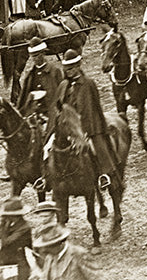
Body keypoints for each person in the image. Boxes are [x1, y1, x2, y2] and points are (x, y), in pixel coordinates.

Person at [50, 50, 117, 189]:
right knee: (49, 146)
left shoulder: (88, 83)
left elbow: (92, 108)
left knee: (96, 147)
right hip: (68, 126)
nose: (70, 71)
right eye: (67, 69)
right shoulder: (63, 86)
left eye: (73, 68)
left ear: (79, 65)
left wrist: (85, 131)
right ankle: (46, 176)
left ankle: (104, 174)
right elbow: (58, 106)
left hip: (89, 125)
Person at [26, 224, 98, 280]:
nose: (44, 249)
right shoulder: (49, 257)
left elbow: (97, 277)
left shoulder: (78, 254)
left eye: (47, 246)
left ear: (57, 244)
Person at [16, 37, 60, 114]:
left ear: (43, 53)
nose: (34, 59)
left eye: (36, 55)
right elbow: (23, 99)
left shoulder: (55, 71)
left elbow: (61, 95)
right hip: (34, 114)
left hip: (51, 113)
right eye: (32, 56)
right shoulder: (30, 75)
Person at [0, 197, 32, 280]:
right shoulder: (7, 224)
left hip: (19, 264)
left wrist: (3, 226)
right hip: (4, 262)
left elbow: (7, 242)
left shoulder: (24, 227)